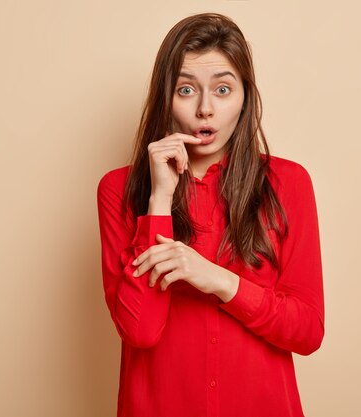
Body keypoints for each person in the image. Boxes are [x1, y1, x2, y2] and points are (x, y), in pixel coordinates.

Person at [97, 13, 324, 417]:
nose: (205, 109)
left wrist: (218, 279)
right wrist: (160, 201)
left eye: (222, 89)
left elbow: (307, 331)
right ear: (164, 96)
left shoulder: (289, 184)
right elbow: (140, 331)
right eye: (186, 89)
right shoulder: (119, 190)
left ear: (245, 97)